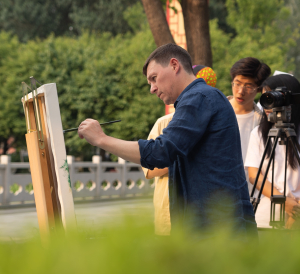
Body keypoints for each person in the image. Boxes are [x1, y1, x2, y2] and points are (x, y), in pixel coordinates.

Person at [78, 43, 257, 238]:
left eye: (154, 79)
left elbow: (160, 152)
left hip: (218, 230)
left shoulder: (199, 97)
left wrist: (102, 139)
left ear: (174, 65)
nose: (152, 89)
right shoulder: (200, 97)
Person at [143, 66, 217, 236]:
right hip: (168, 213)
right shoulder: (164, 123)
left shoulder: (216, 121)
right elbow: (149, 170)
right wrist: (184, 156)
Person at [245, 74, 300, 228]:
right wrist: (283, 201)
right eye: (266, 99)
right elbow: (254, 175)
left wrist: (296, 212)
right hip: (266, 214)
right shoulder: (258, 133)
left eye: (273, 99)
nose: (267, 106)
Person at [227, 57, 271, 193]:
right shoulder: (216, 112)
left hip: (250, 194)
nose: (241, 91)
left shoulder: (263, 122)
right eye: (237, 83)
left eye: (249, 86)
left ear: (259, 90)